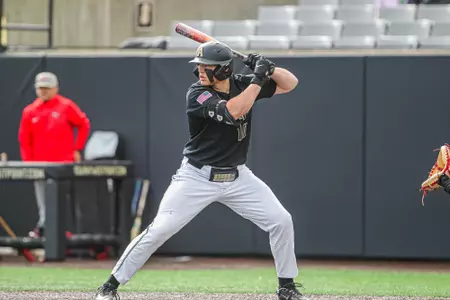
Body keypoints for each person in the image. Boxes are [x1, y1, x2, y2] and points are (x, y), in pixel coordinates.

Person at [94, 41, 307, 300]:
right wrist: (258, 78)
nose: (201, 72)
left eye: (208, 67)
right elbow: (234, 111)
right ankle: (109, 286)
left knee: (281, 221)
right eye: (199, 67)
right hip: (196, 177)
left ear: (225, 71)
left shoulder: (242, 83)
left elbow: (291, 83)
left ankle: (286, 286)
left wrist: (269, 69)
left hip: (237, 176)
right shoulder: (198, 94)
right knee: (160, 229)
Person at [18, 71, 91, 238]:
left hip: (62, 164)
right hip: (39, 164)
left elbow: (83, 124)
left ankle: (49, 230)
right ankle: (45, 229)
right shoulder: (30, 111)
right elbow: (24, 139)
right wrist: (28, 163)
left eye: (47, 88)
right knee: (43, 200)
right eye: (41, 88)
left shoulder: (66, 106)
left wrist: (77, 149)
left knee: (60, 200)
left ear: (55, 88)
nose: (44, 91)